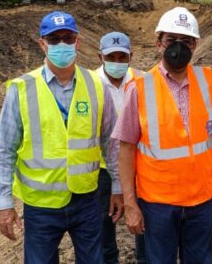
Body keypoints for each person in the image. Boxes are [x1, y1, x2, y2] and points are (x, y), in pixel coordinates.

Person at [0, 11, 123, 263]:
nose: (61, 44)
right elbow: (3, 150)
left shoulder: (96, 84)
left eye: (67, 38)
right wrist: (4, 204)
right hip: (41, 206)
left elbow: (111, 142)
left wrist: (117, 186)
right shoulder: (22, 89)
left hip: (86, 201)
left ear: (78, 42)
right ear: (42, 43)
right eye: (54, 39)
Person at [114, 6, 212, 264]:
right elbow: (126, 149)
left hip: (201, 201)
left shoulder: (211, 84)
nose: (178, 47)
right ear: (159, 43)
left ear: (196, 44)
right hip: (157, 203)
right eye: (171, 40)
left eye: (186, 41)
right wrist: (131, 204)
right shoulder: (139, 89)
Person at [95, 31, 139, 263]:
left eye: (122, 57)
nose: (117, 63)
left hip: (139, 167)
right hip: (102, 171)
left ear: (131, 56)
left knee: (143, 227)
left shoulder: (143, 81)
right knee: (104, 229)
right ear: (100, 56)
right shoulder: (90, 84)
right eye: (111, 57)